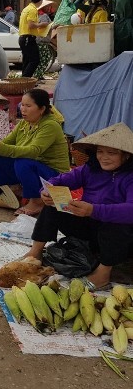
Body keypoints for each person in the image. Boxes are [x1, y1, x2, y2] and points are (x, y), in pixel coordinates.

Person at [25, 123, 133, 290]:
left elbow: (130, 210)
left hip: (121, 239)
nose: (104, 157)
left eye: (111, 153)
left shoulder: (130, 177)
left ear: (126, 156)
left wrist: (94, 210)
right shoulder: (90, 169)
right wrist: (47, 191)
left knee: (116, 225)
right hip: (89, 228)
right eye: (100, 151)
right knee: (52, 206)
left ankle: (103, 273)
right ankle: (36, 252)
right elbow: (60, 180)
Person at [0, 88, 70, 216]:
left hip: (53, 174)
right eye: (22, 105)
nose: (23, 109)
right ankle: (17, 189)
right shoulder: (24, 124)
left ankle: (36, 202)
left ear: (42, 109)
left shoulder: (50, 125)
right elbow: (6, 143)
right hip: (32, 167)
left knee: (23, 162)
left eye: (28, 106)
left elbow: (33, 151)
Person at [18, 0, 49, 78]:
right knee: (35, 60)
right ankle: (25, 79)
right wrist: (41, 24)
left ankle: (24, 81)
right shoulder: (33, 10)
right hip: (28, 38)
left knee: (27, 60)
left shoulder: (26, 8)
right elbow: (31, 25)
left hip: (24, 38)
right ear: (40, 1)